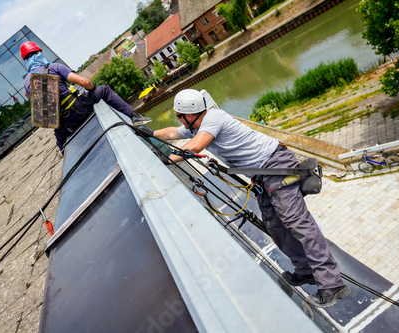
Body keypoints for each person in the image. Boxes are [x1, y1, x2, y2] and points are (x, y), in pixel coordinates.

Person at [151, 89, 349, 308]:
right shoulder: (197, 125)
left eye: (179, 115)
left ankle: (332, 284)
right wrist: (148, 133)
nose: (178, 119)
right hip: (263, 174)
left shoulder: (213, 119)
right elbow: (171, 133)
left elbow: (196, 147)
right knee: (276, 227)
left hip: (275, 164)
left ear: (189, 115)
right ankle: (306, 271)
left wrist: (167, 160)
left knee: (298, 223)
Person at [20, 41, 151, 152]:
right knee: (104, 89)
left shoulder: (27, 81)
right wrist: (91, 86)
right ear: (39, 53)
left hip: (64, 126)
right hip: (79, 111)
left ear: (26, 61)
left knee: (62, 145)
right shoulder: (54, 67)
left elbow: (28, 94)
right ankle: (135, 117)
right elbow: (85, 83)